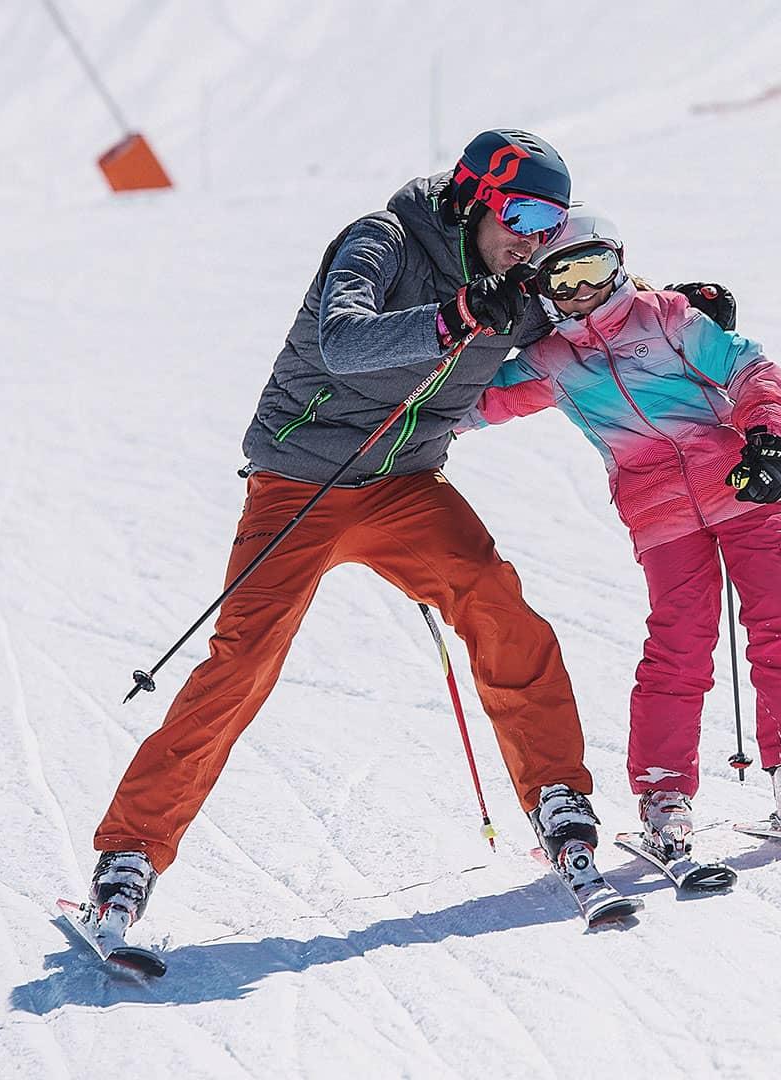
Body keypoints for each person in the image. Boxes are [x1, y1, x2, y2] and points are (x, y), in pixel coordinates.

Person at [87, 130, 610, 934]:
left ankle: (558, 799)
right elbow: (344, 337)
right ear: (473, 198)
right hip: (302, 482)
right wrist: (457, 315)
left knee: (498, 604)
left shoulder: (521, 275)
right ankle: (129, 853)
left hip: (405, 488)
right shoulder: (385, 240)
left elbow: (589, 325)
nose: (534, 235)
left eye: (551, 219)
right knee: (244, 662)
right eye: (522, 212)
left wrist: (675, 312)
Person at [461, 213, 781, 860]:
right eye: (564, 277)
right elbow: (469, 405)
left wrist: (769, 439)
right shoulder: (550, 362)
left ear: (619, 263)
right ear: (540, 288)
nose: (583, 290)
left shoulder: (668, 318)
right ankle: (665, 795)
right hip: (660, 514)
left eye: (595, 269)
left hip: (743, 487)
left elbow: (750, 369)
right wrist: (394, 433)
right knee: (680, 645)